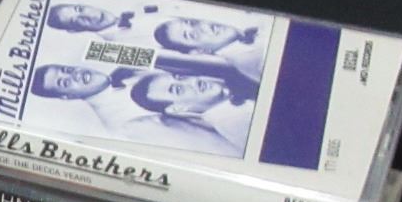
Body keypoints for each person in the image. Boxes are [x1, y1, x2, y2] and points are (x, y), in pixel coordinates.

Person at [27, 60, 255, 155]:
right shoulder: (125, 126)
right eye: (65, 82)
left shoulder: (126, 68)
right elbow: (214, 149)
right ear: (67, 97)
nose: (75, 75)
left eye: (67, 70)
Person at [151, 15, 266, 83]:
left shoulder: (252, 32)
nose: (205, 27)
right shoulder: (250, 61)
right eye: (193, 35)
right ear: (200, 51)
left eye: (193, 23)